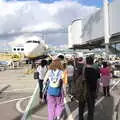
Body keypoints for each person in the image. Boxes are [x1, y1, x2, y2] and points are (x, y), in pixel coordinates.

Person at [78, 56, 100, 120]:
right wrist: (97, 91)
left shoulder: (82, 70)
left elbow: (77, 79)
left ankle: (80, 118)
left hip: (82, 91)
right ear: (93, 62)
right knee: (91, 108)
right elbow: (98, 82)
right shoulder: (95, 71)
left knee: (81, 107)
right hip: (92, 91)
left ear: (86, 62)